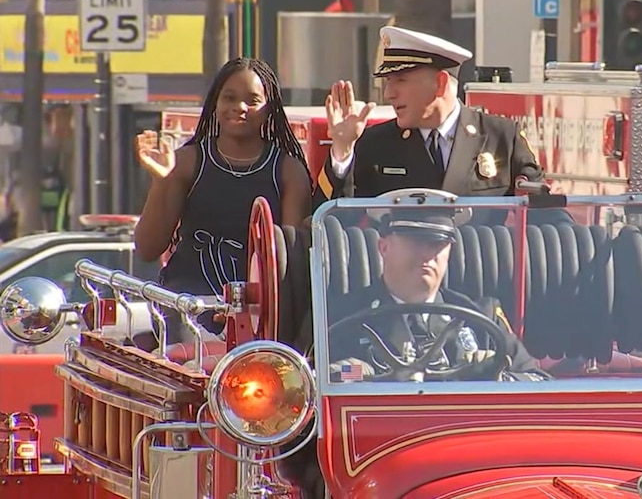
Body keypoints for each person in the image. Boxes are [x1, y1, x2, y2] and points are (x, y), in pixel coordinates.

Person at [280, 188, 548, 499]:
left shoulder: (482, 317)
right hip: (373, 466)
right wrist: (362, 376)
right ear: (384, 246)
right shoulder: (336, 316)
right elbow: (300, 394)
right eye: (415, 241)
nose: (427, 255)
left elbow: (539, 382)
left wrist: (498, 379)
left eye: (438, 244)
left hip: (471, 467)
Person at [133, 57, 313, 344]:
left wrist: (253, 310)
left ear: (269, 109)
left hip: (261, 315)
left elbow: (291, 267)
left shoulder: (289, 171)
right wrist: (161, 181)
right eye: (229, 98)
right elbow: (147, 248)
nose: (239, 107)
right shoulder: (187, 161)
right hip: (189, 307)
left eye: (252, 100)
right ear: (215, 104)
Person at [310, 25, 550, 214]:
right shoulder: (375, 144)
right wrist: (342, 151)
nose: (389, 94)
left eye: (400, 80)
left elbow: (547, 220)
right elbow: (326, 223)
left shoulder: (502, 138)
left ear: (440, 83)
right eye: (387, 82)